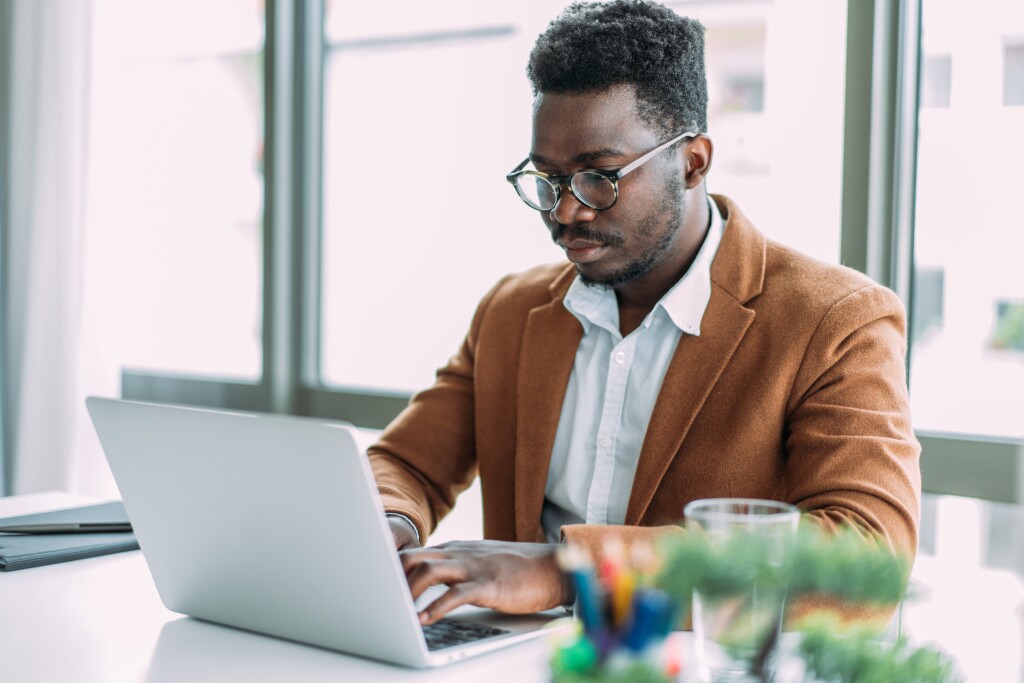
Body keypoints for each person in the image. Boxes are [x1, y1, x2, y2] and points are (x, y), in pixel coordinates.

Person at [368, 0, 921, 626]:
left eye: (598, 177)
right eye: (546, 179)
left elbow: (865, 554)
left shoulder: (835, 321)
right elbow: (408, 462)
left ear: (693, 162)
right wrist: (389, 524)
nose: (566, 212)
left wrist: (567, 571)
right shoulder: (512, 311)